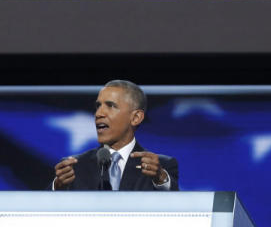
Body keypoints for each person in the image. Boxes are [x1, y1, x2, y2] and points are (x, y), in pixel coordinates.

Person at [51, 80, 179, 191]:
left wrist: (161, 179)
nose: (98, 113)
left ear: (135, 118)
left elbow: (177, 208)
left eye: (110, 106)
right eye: (98, 106)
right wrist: (58, 186)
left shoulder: (160, 167)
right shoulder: (74, 167)